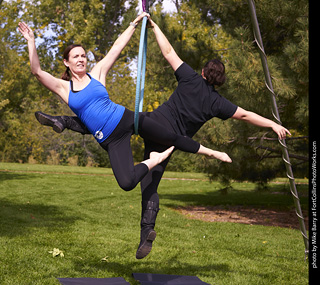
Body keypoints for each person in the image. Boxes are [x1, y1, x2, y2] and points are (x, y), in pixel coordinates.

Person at [32, 17, 291, 259]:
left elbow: (168, 53)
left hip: (152, 122)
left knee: (112, 124)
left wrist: (151, 26)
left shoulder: (190, 78)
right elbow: (245, 115)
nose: (81, 59)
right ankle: (147, 228)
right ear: (219, 81)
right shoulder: (217, 103)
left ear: (202, 72)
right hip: (167, 138)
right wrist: (272, 124)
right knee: (150, 182)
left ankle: (65, 122)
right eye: (76, 56)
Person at [18, 14, 232, 193]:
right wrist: (31, 42)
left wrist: (134, 24)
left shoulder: (97, 73)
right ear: (67, 62)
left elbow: (116, 47)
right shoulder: (64, 88)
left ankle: (212, 152)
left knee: (173, 137)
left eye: (83, 55)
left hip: (126, 119)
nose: (81, 59)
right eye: (76, 56)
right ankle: (154, 159)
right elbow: (36, 71)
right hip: (111, 139)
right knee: (127, 183)